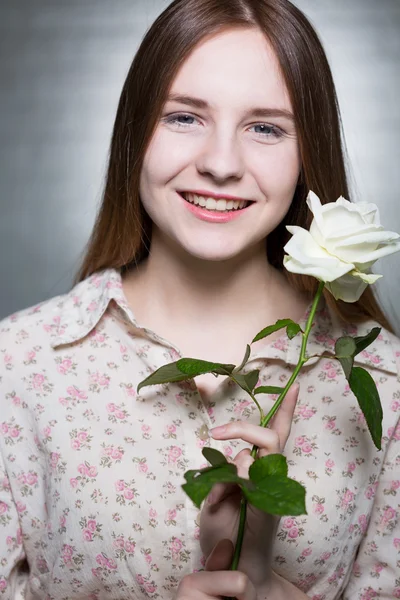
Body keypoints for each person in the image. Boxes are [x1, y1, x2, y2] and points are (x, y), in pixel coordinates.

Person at [0, 0, 399, 598]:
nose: (219, 164)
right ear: (135, 131)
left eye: (265, 128)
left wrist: (268, 590)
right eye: (184, 117)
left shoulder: (386, 384)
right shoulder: (18, 366)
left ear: (307, 154)